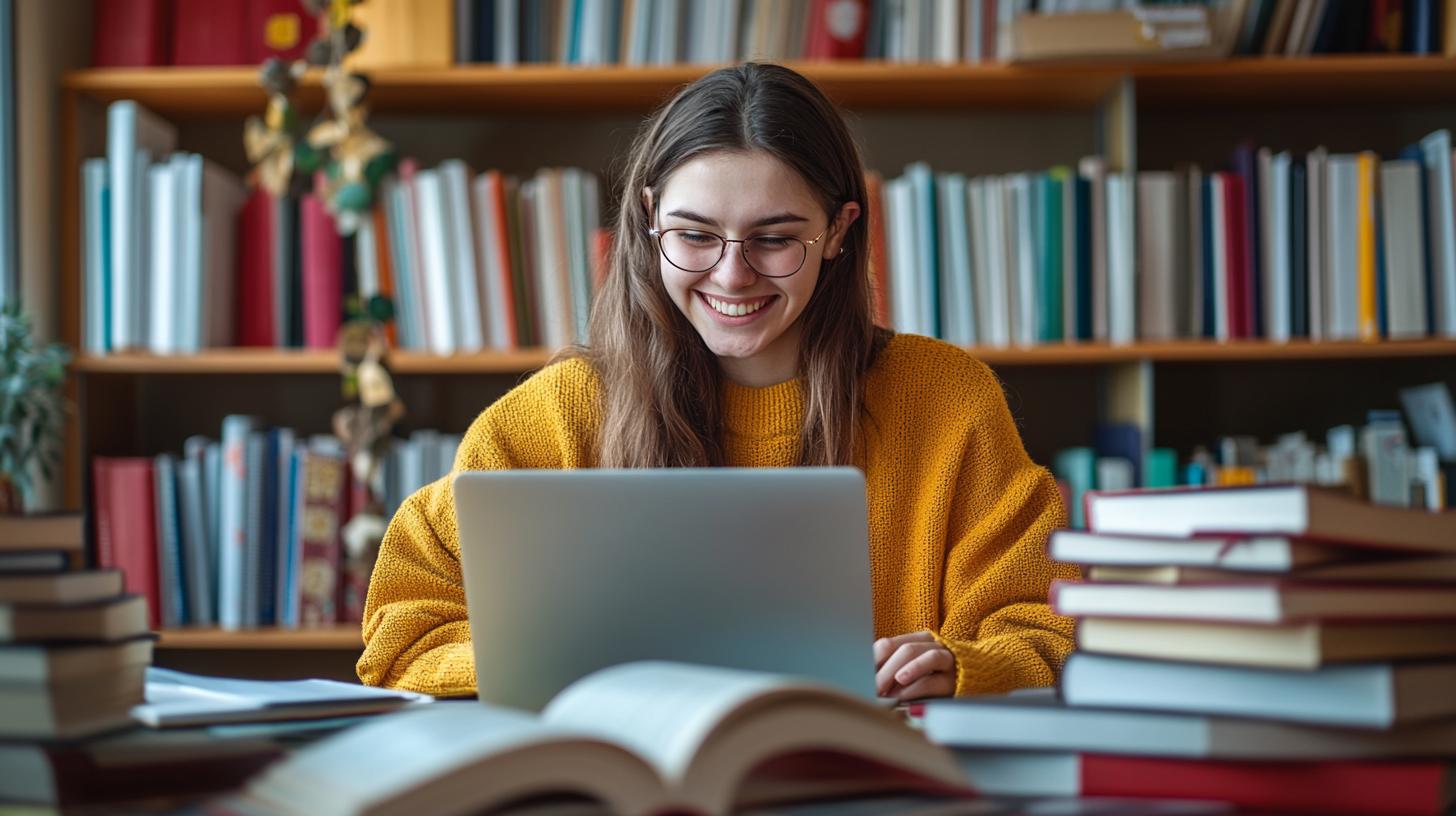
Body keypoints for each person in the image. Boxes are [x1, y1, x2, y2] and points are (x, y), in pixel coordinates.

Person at [357, 62, 1078, 701]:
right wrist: (546, 665)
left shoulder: (946, 399)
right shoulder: (552, 418)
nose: (732, 276)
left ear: (838, 230)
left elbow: (1047, 621)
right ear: (649, 220)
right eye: (696, 235)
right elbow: (404, 631)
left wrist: (963, 665)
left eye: (775, 239)